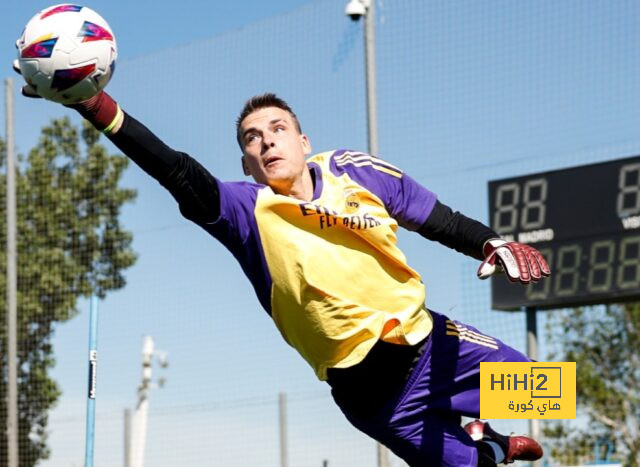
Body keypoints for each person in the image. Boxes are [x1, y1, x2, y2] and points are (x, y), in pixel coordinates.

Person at [15, 67, 550, 465]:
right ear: (246, 163)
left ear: (303, 141)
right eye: (252, 137)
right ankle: (491, 444)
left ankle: (480, 428)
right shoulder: (245, 212)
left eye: (277, 127)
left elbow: (436, 218)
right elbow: (176, 170)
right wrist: (94, 104)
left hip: (433, 346)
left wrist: (489, 243)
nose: (266, 138)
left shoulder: (355, 172)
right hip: (376, 398)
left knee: (548, 390)